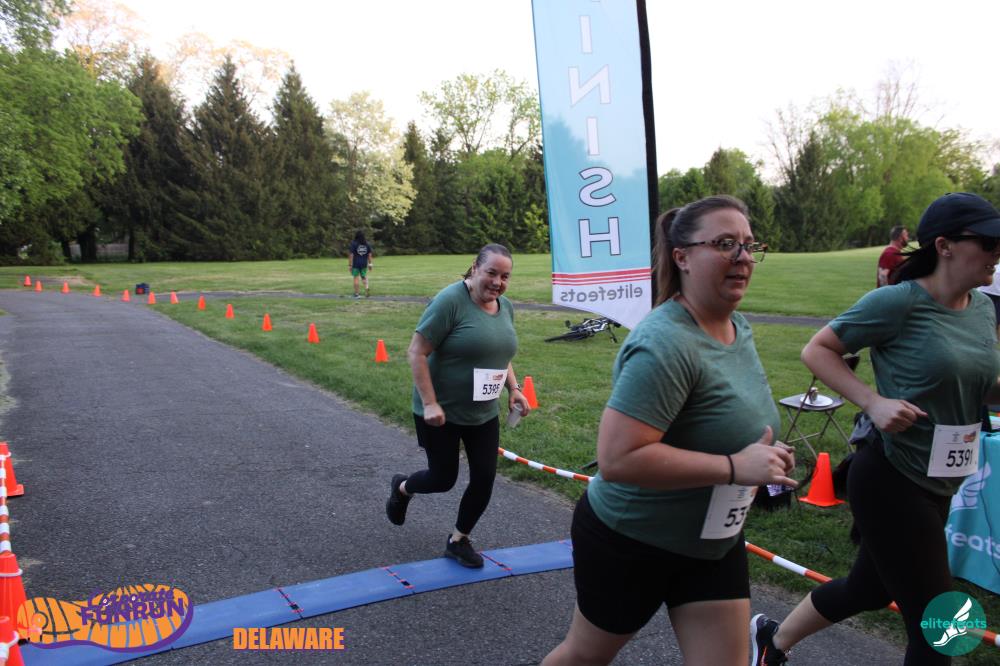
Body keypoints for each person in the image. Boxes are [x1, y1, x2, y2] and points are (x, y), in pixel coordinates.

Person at [542, 195, 797, 666]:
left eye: (748, 245)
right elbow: (618, 459)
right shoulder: (664, 343)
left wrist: (761, 456)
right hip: (632, 539)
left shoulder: (737, 327)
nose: (743, 257)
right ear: (682, 257)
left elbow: (719, 418)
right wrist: (733, 465)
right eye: (725, 244)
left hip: (713, 541)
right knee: (585, 656)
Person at [750, 192, 1000, 666]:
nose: (997, 252)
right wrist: (873, 401)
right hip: (891, 474)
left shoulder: (983, 309)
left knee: (869, 588)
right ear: (945, 245)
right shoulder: (898, 302)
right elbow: (817, 349)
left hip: (941, 479)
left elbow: (977, 384)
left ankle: (771, 642)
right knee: (942, 625)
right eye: (989, 242)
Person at [384, 243, 531, 568]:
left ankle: (458, 540)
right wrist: (430, 403)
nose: (498, 282)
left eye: (505, 276)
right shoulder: (450, 301)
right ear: (475, 268)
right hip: (441, 413)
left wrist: (514, 389)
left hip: (483, 412)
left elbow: (499, 352)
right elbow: (416, 352)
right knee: (442, 478)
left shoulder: (505, 306)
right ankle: (403, 488)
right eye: (491, 273)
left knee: (484, 477)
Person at [348, 231, 374, 298]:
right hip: (364, 263)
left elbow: (351, 255)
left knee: (356, 278)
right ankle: (366, 289)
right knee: (364, 277)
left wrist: (350, 265)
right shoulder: (367, 244)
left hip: (356, 264)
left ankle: (357, 294)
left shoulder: (353, 243)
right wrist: (370, 264)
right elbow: (369, 255)